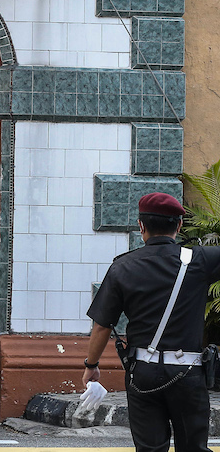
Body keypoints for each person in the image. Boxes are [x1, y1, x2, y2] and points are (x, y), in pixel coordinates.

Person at [84, 192, 220, 452]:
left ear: (141, 226)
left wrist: (91, 365)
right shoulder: (201, 260)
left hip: (142, 374)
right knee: (193, 448)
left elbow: (102, 325)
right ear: (179, 226)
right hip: (187, 374)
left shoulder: (122, 267)